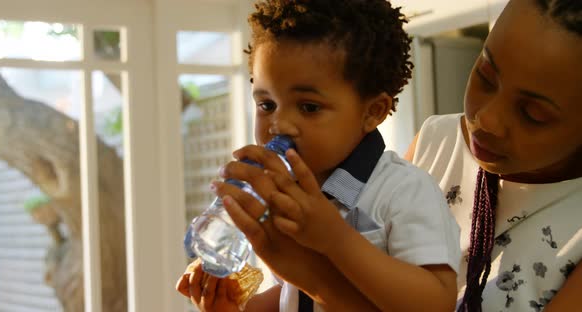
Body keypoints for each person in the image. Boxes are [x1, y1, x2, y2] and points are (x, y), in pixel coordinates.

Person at [182, 0, 461, 311]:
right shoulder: (291, 194)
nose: (280, 125)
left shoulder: (404, 190)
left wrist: (335, 238)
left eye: (309, 107)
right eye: (267, 105)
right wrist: (239, 307)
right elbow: (298, 293)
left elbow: (436, 302)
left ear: (373, 111)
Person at [404, 0, 582, 310]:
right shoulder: (435, 143)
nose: (487, 119)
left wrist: (316, 276)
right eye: (485, 77)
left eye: (533, 114)